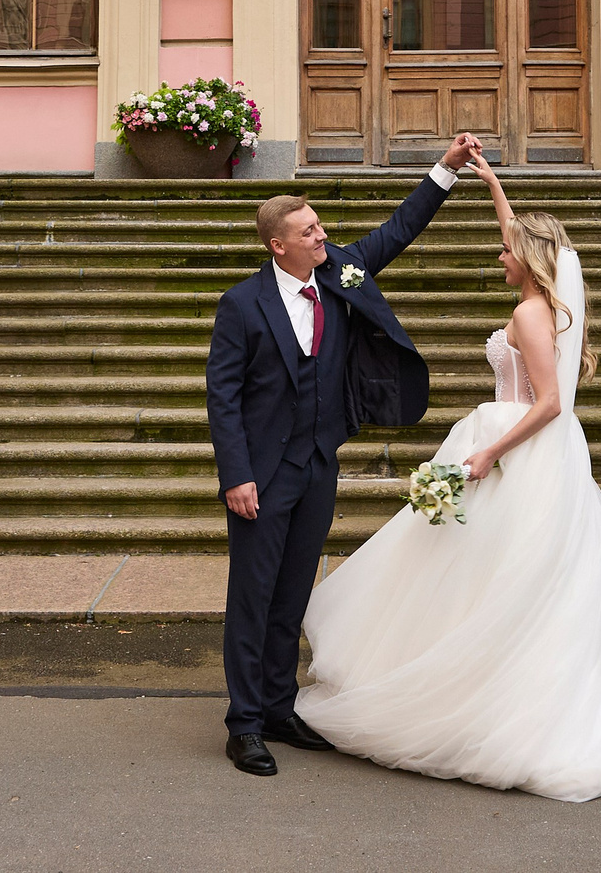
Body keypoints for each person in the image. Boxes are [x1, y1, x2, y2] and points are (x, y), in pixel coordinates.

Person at [291, 154, 601, 803]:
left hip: (516, 446)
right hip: (527, 447)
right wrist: (489, 180)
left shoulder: (529, 315)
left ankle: (502, 709)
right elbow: (517, 237)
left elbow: (549, 402)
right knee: (511, 576)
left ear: (528, 257)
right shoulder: (543, 301)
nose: (499, 254)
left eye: (507, 250)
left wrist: (486, 453)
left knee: (499, 577)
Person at [206, 132, 481, 777]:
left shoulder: (341, 272)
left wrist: (444, 169)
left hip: (316, 466)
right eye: (308, 231)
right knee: (253, 597)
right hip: (261, 475)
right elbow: (223, 396)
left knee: (293, 593)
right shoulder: (242, 305)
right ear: (278, 245)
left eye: (320, 226)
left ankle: (279, 708)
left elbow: (400, 228)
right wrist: (236, 476)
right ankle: (244, 724)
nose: (322, 236)